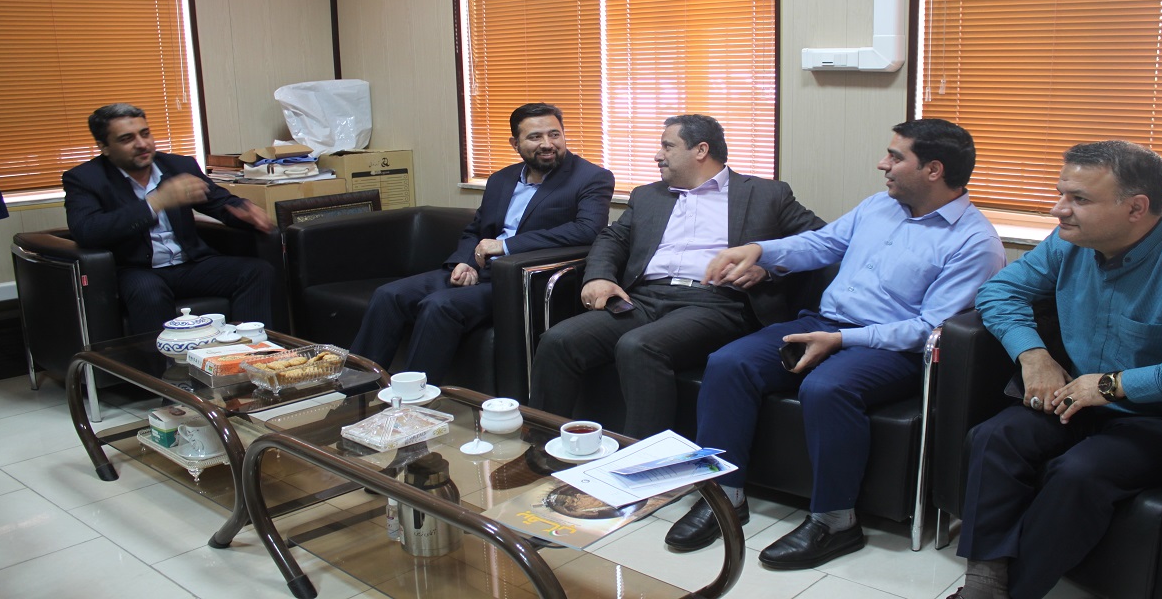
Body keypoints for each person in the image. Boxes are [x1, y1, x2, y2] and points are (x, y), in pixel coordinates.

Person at [668, 118, 1006, 569]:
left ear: (933, 170)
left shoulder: (975, 243)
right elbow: (822, 244)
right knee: (729, 364)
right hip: (824, 322)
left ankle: (835, 522)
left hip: (891, 348)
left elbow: (929, 329)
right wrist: (760, 251)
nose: (882, 164)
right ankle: (722, 496)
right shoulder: (879, 206)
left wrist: (842, 340)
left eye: (896, 156)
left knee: (827, 388)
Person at [950, 140, 1162, 599]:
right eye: (1061, 194)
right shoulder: (1069, 243)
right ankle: (984, 584)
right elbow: (1000, 291)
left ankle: (1016, 593)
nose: (1059, 209)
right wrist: (1033, 355)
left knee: (1078, 474)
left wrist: (1112, 385)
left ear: (1136, 207)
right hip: (1074, 400)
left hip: (1154, 418)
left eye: (1079, 199)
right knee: (994, 437)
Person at [529, 114, 823, 438]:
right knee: (558, 341)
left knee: (639, 346)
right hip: (642, 299)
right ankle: (543, 448)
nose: (658, 155)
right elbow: (613, 238)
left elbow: (821, 241)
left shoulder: (767, 194)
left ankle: (642, 461)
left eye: (667, 146)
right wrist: (598, 276)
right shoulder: (647, 195)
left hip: (714, 302)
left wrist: (767, 266)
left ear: (700, 150)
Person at [350, 103, 614, 380]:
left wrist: (507, 246)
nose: (547, 144)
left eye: (554, 134)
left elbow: (588, 230)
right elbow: (476, 229)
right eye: (535, 137)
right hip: (481, 269)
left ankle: (414, 397)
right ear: (515, 143)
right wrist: (465, 263)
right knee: (389, 295)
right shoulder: (502, 179)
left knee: (439, 305)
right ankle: (357, 386)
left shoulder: (591, 178)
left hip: (522, 279)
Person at [63, 103, 277, 334]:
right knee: (149, 291)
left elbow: (220, 202)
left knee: (256, 271)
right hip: (136, 270)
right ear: (104, 147)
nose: (142, 144)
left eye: (145, 133)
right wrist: (156, 202)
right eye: (127, 139)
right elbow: (87, 230)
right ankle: (160, 359)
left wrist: (245, 211)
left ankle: (252, 349)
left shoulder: (178, 166)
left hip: (190, 264)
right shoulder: (85, 178)